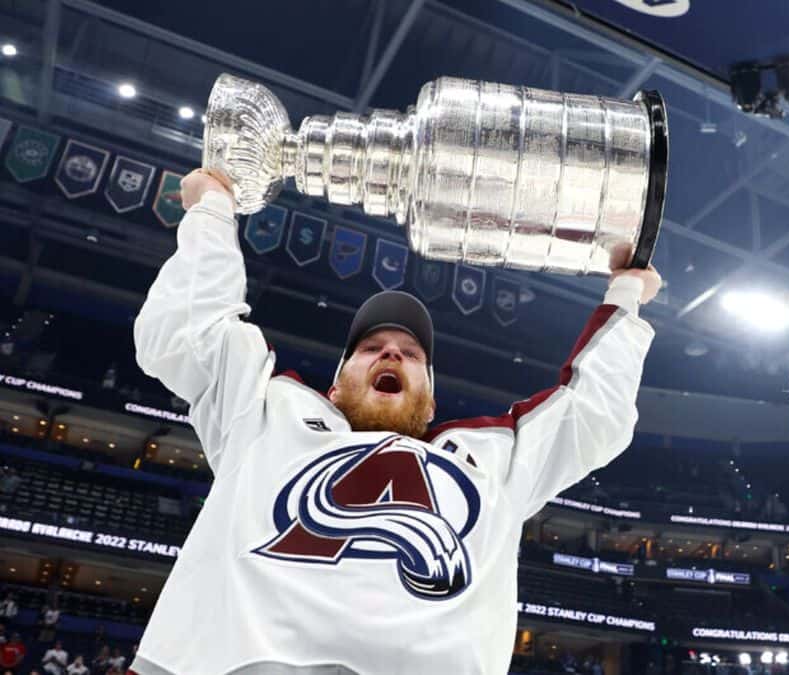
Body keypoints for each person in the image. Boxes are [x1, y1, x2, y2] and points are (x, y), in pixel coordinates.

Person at [131, 169, 660, 674]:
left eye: (410, 353)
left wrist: (627, 293)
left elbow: (594, 414)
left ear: (430, 405)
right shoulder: (268, 413)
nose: (391, 354)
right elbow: (190, 332)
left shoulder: (491, 460)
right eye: (371, 347)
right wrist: (212, 210)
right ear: (334, 387)